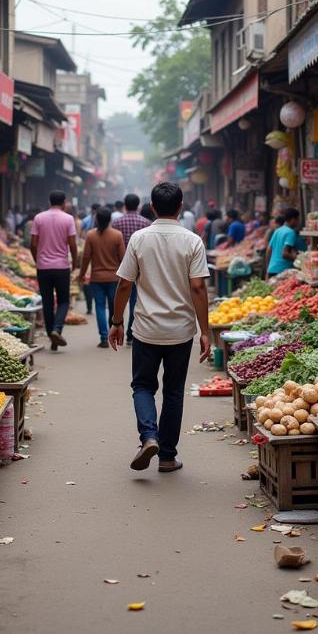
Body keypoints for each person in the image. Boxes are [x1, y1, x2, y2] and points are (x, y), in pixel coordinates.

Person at [108, 181, 211, 473]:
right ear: (181, 206)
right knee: (174, 392)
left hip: (145, 329)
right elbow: (199, 288)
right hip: (180, 330)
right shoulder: (192, 241)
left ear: (152, 207)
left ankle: (148, 436)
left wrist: (117, 322)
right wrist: (205, 331)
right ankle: (166, 456)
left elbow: (125, 284)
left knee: (142, 386)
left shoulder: (139, 239)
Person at [31, 191, 79, 351]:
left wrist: (37, 259)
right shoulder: (68, 219)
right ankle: (56, 330)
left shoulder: (39, 218)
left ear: (49, 201)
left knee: (47, 302)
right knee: (64, 300)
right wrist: (75, 262)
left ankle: (52, 335)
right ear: (64, 202)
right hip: (61, 266)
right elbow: (72, 244)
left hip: (43, 267)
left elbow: (33, 243)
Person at [79, 207, 125, 348]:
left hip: (97, 278)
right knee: (113, 306)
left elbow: (86, 257)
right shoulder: (117, 235)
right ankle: (114, 333)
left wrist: (82, 274)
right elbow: (123, 258)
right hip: (113, 278)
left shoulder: (91, 235)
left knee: (99, 307)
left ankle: (104, 337)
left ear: (97, 220)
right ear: (110, 219)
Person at [113, 194, 151, 345]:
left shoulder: (116, 223)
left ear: (125, 205)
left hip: (122, 266)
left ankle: (118, 325)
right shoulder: (146, 223)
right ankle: (131, 332)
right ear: (138, 205)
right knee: (136, 300)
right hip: (142, 266)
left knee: (122, 294)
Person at [265, 208, 306, 278]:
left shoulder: (278, 230)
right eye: (297, 219)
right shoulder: (291, 232)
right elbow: (285, 254)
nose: (298, 222)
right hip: (282, 271)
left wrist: (267, 269)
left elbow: (269, 250)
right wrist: (301, 259)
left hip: (272, 269)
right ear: (293, 219)